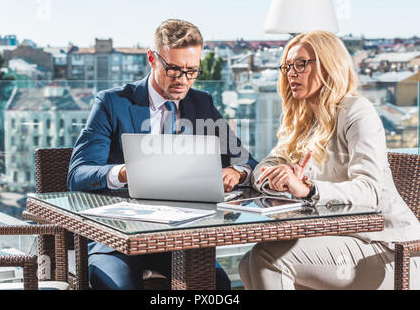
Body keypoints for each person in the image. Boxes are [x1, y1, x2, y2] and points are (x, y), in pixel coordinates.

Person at [67, 19, 258, 290]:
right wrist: (124, 172)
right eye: (173, 69)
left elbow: (247, 161)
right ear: (152, 59)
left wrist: (237, 171)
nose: (183, 80)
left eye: (192, 71)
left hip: (180, 238)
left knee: (216, 285)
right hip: (115, 237)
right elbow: (78, 174)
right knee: (117, 286)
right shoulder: (112, 103)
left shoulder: (201, 103)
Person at [238, 30, 420, 290]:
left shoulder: (357, 112)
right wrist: (277, 180)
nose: (291, 72)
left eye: (301, 64)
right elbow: (262, 170)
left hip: (390, 250)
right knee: (249, 262)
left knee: (267, 258)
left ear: (328, 66)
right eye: (287, 66)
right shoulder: (300, 123)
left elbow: (370, 190)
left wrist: (308, 189)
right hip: (339, 240)